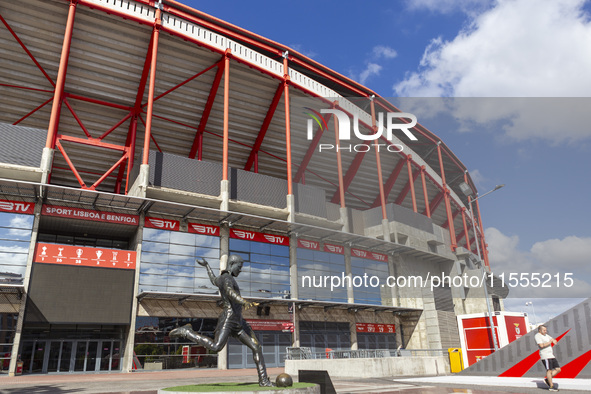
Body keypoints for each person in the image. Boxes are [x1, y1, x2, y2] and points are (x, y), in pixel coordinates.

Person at [169, 254, 273, 387]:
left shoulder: (223, 278)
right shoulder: (227, 278)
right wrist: (243, 301)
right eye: (239, 267)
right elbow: (229, 292)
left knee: (256, 347)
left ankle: (263, 380)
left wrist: (207, 266)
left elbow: (213, 280)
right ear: (232, 264)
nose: (240, 270)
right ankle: (187, 332)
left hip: (238, 321)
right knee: (216, 347)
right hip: (228, 319)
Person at [534, 325, 561, 391]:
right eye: (544, 330)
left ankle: (547, 379)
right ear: (540, 330)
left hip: (551, 355)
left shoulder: (546, 335)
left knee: (558, 369)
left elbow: (552, 339)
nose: (545, 331)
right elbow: (541, 345)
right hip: (545, 356)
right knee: (549, 370)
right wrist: (550, 342)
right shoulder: (537, 336)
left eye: (546, 330)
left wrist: (554, 340)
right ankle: (551, 386)